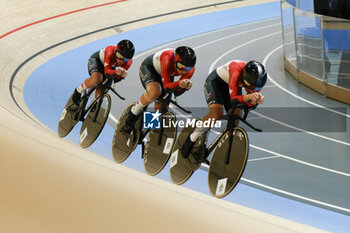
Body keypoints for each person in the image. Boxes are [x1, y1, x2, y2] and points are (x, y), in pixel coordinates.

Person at [181, 60, 267, 160]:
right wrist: (249, 97)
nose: (252, 90)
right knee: (216, 114)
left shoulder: (256, 81)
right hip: (215, 83)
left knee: (236, 116)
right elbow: (233, 99)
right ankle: (192, 138)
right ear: (245, 77)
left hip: (232, 86)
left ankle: (228, 143)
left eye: (256, 88)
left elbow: (247, 105)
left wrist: (255, 101)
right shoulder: (236, 69)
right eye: (250, 87)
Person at [122, 46, 196, 133]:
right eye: (180, 66)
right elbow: (167, 87)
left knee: (162, 108)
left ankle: (151, 130)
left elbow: (176, 92)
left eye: (187, 69)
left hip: (167, 73)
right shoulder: (167, 57)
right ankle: (134, 112)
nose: (183, 71)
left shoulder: (190, 69)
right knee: (155, 92)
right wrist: (179, 84)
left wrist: (184, 88)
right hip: (150, 68)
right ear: (175, 61)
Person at [72, 39, 135, 104]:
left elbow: (115, 80)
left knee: (103, 91)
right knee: (97, 79)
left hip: (110, 67)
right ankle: (78, 90)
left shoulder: (128, 63)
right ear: (115, 51)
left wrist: (121, 77)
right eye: (119, 56)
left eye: (125, 59)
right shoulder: (110, 51)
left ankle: (94, 104)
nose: (121, 61)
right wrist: (116, 72)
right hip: (97, 61)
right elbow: (107, 72)